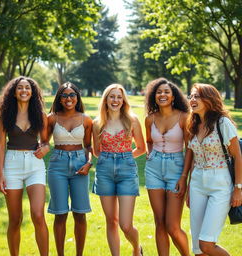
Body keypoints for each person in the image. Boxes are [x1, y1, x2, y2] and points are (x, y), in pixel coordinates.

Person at [183, 83, 242, 256]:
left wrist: (238, 189)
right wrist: (188, 187)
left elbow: (238, 156)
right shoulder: (192, 124)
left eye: (197, 96)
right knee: (197, 249)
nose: (192, 100)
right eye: (191, 96)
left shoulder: (222, 123)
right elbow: (194, 156)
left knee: (206, 244)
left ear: (210, 99)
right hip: (197, 183)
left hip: (220, 183)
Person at [0, 76, 49, 256]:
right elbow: (1, 146)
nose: (24, 90)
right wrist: (0, 174)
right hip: (12, 166)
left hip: (35, 165)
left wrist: (45, 148)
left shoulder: (40, 115)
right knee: (15, 219)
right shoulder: (6, 115)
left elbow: (45, 142)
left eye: (27, 88)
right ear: (14, 92)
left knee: (38, 215)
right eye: (20, 88)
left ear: (32, 92)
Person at [92, 84, 145, 256]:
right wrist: (109, 159)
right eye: (112, 97)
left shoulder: (132, 120)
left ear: (123, 100)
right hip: (104, 171)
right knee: (111, 221)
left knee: (125, 224)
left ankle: (137, 249)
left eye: (119, 97)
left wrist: (125, 157)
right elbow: (96, 150)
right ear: (106, 99)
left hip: (127, 172)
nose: (115, 100)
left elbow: (141, 148)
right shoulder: (97, 123)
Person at [144, 78, 190, 256]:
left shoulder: (184, 117)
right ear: (154, 96)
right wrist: (150, 154)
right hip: (153, 169)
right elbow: (149, 141)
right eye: (159, 92)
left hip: (176, 168)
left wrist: (184, 176)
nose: (162, 95)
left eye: (166, 92)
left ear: (173, 97)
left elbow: (189, 149)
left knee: (172, 225)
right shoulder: (150, 119)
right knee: (159, 222)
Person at [46, 82, 92, 256]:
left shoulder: (86, 119)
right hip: (57, 164)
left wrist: (88, 163)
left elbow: (88, 146)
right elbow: (43, 142)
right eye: (64, 95)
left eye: (72, 94)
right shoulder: (51, 118)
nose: (68, 98)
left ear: (77, 97)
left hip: (80, 164)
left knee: (80, 213)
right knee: (60, 213)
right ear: (59, 98)